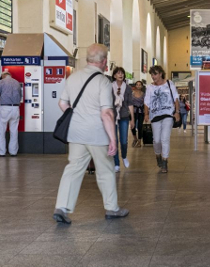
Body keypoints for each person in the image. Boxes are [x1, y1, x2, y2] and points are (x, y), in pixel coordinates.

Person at [52, 44, 128, 224]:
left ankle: (62, 207)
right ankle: (112, 208)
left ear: (87, 59)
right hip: (97, 134)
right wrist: (112, 139)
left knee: (73, 169)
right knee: (106, 170)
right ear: (104, 62)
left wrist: (80, 116)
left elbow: (63, 104)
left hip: (76, 133)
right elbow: (106, 113)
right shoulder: (102, 81)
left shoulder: (73, 77)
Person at [144, 65, 180, 173]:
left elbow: (176, 98)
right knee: (156, 140)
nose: (153, 76)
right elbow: (146, 102)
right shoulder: (150, 87)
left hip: (168, 114)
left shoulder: (169, 83)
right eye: (152, 74)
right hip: (155, 116)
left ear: (160, 73)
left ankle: (165, 161)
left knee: (164, 139)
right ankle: (158, 155)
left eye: (155, 74)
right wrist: (146, 114)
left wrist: (177, 112)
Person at [0, 70, 22, 157]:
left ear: (3, 76)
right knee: (14, 131)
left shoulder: (1, 82)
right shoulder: (17, 82)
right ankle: (13, 152)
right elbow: (20, 96)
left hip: (4, 108)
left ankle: (1, 152)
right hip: (16, 108)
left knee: (1, 130)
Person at [111, 67, 133, 172]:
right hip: (112, 117)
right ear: (114, 75)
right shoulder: (109, 87)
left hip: (124, 116)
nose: (121, 75)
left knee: (123, 140)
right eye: (118, 73)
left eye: (122, 73)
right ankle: (116, 163)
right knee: (114, 140)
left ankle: (124, 156)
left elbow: (130, 104)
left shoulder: (127, 88)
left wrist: (132, 119)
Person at [130, 81, 146, 147]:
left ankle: (139, 140)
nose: (138, 86)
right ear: (135, 86)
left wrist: (146, 112)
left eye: (140, 85)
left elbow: (145, 103)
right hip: (133, 111)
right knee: (132, 126)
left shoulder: (143, 94)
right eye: (137, 84)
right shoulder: (132, 94)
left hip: (141, 111)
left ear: (142, 86)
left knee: (140, 126)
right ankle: (135, 138)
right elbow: (130, 103)